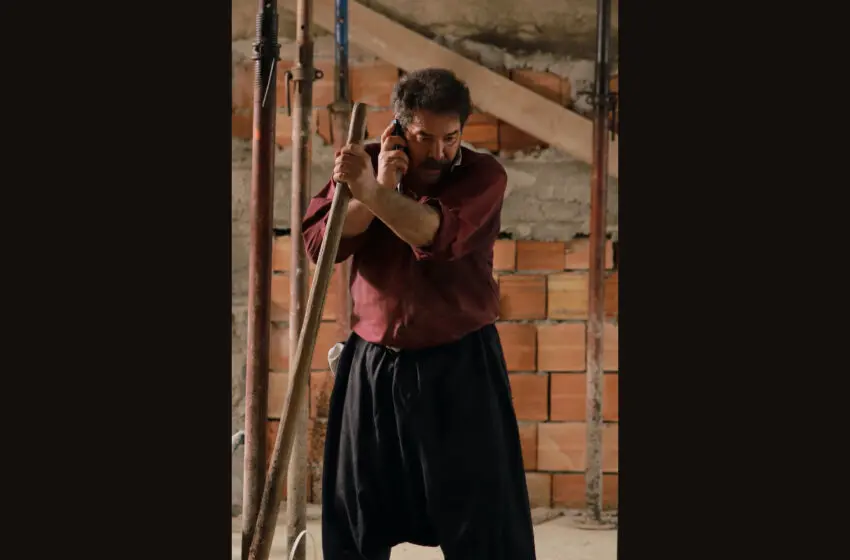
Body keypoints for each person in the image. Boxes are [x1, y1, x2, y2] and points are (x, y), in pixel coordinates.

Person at [302, 68, 537, 560]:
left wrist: (374, 194)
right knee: (357, 514)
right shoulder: (364, 164)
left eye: (451, 137)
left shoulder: (482, 176)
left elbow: (432, 233)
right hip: (373, 365)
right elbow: (323, 244)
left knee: (482, 521)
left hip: (460, 365)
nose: (439, 152)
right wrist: (376, 183)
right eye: (424, 137)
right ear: (398, 128)